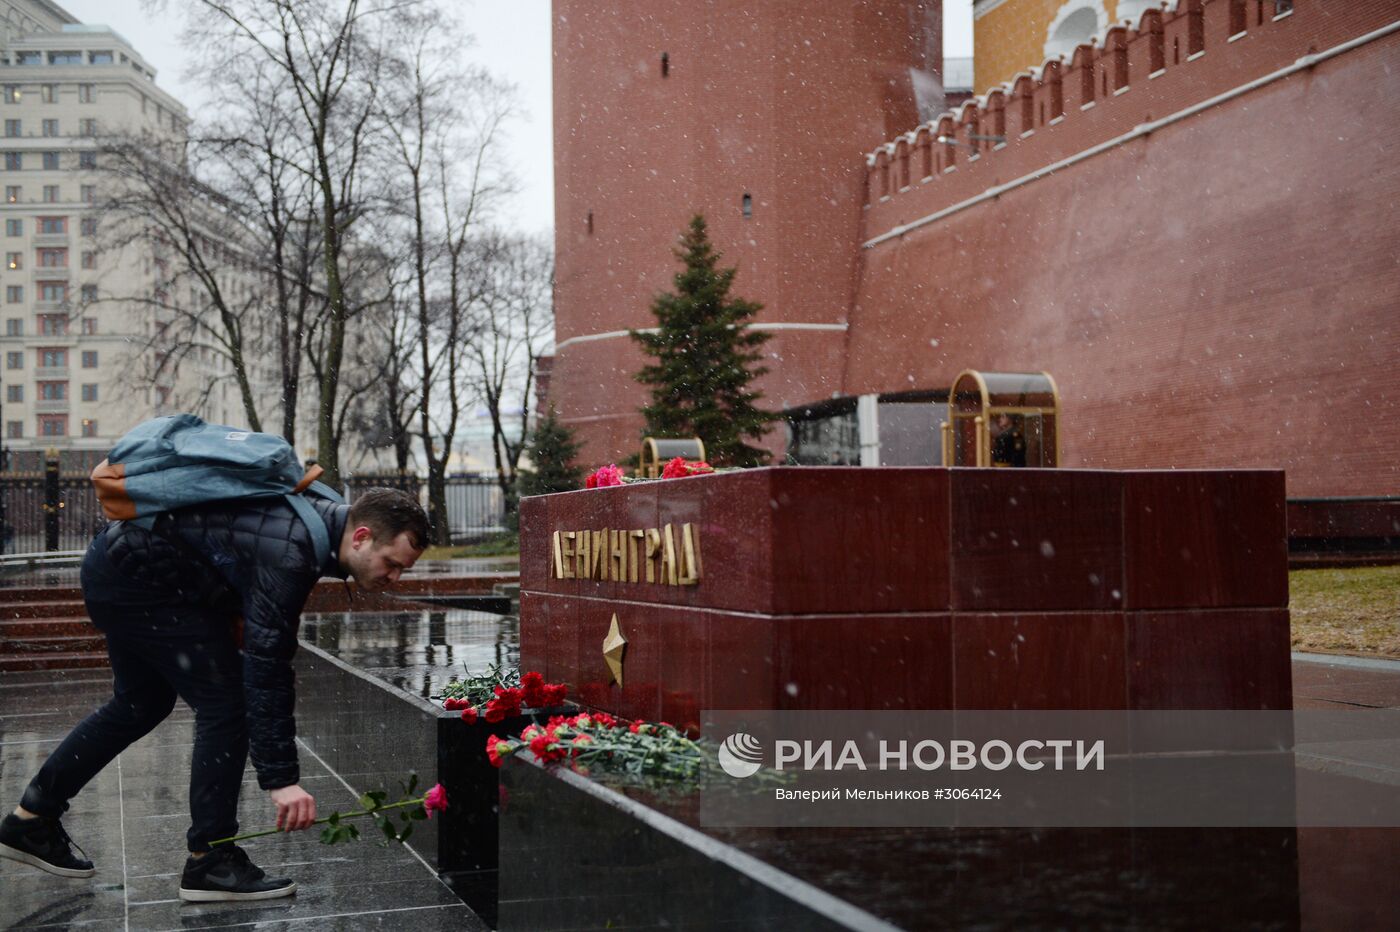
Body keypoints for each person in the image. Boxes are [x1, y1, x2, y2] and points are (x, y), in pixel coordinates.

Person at [0, 487, 428, 902]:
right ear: (361, 536)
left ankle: (32, 819)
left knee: (140, 703)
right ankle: (211, 859)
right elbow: (267, 669)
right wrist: (281, 780)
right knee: (227, 705)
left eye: (402, 569)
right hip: (142, 582)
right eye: (392, 563)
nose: (394, 577)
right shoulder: (293, 552)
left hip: (121, 564)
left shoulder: (311, 523)